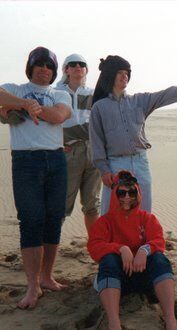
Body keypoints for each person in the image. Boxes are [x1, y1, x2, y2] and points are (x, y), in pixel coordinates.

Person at [89, 55, 177, 215]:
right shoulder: (99, 108)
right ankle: (112, 241)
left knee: (143, 210)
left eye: (127, 73)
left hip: (140, 163)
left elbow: (166, 95)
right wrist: (104, 170)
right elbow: (96, 142)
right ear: (110, 75)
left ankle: (142, 240)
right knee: (112, 211)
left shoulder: (140, 101)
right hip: (115, 165)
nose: (125, 76)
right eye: (120, 72)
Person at [0, 46, 72, 309]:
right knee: (30, 219)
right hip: (26, 161)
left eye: (49, 65)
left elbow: (59, 115)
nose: (44, 69)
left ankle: (47, 276)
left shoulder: (60, 93)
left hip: (55, 159)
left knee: (54, 217)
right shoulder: (15, 89)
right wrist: (21, 103)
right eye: (38, 64)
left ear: (54, 71)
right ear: (30, 67)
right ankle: (33, 286)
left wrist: (33, 108)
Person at [87, 171, 177, 330]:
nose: (127, 197)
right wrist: (121, 248)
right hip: (118, 278)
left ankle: (170, 319)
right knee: (108, 259)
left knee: (159, 259)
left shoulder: (147, 218)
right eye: (122, 193)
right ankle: (114, 322)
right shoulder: (105, 221)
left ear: (138, 194)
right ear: (115, 194)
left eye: (132, 192)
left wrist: (144, 249)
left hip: (144, 277)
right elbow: (94, 247)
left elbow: (159, 240)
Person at [56, 54, 101, 232]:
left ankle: (96, 248)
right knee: (61, 204)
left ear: (86, 70)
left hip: (93, 151)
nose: (77, 67)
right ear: (66, 69)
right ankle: (49, 249)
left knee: (92, 204)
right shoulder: (56, 92)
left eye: (81, 64)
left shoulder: (93, 94)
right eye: (72, 64)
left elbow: (100, 124)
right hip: (68, 152)